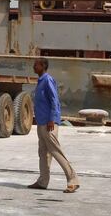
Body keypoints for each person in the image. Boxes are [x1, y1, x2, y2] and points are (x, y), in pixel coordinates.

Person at [28, 59, 80, 193]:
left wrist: (52, 119)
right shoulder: (40, 81)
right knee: (43, 153)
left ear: (43, 66)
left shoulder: (47, 80)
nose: (34, 66)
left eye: (36, 64)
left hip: (49, 123)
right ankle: (42, 181)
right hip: (41, 122)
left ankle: (73, 180)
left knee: (55, 151)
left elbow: (54, 100)